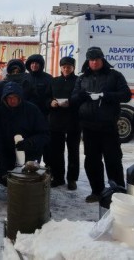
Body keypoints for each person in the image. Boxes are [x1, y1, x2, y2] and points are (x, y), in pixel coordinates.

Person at [70, 46, 132, 203]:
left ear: (102, 59)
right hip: (89, 127)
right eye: (91, 60)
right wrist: (82, 96)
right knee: (92, 161)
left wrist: (106, 95)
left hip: (108, 126)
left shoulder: (115, 75)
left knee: (113, 160)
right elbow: (73, 99)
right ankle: (96, 191)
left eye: (97, 59)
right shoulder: (82, 78)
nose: (94, 62)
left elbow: (126, 95)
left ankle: (117, 192)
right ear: (87, 61)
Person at [0, 82, 50, 186]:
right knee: (5, 178)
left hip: (30, 153)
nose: (12, 100)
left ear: (20, 97)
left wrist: (30, 143)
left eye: (15, 97)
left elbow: (44, 134)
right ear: (4, 98)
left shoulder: (32, 110)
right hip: (8, 153)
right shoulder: (0, 112)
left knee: (28, 180)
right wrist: (1, 166)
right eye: (9, 97)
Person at [46, 56, 81, 190]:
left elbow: (82, 97)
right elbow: (46, 97)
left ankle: (72, 179)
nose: (66, 69)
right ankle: (58, 177)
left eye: (69, 67)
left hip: (73, 121)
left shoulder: (78, 81)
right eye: (64, 67)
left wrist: (70, 103)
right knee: (56, 151)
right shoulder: (54, 81)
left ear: (73, 68)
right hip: (56, 121)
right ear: (60, 68)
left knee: (73, 151)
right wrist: (51, 102)